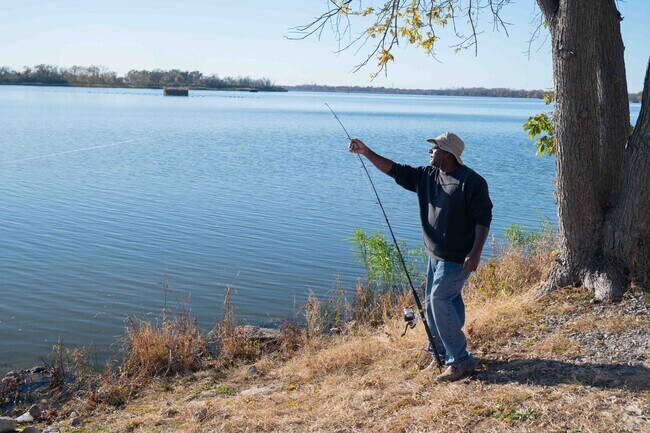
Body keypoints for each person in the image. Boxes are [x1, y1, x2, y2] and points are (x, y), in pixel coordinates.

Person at [348, 132, 492, 382]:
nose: (430, 151)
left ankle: (461, 361)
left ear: (447, 153)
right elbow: (394, 169)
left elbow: (483, 219)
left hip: (457, 258)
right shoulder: (427, 176)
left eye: (434, 148)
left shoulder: (471, 181)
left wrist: (476, 252)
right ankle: (440, 354)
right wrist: (366, 152)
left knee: (439, 301)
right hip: (434, 255)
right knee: (438, 305)